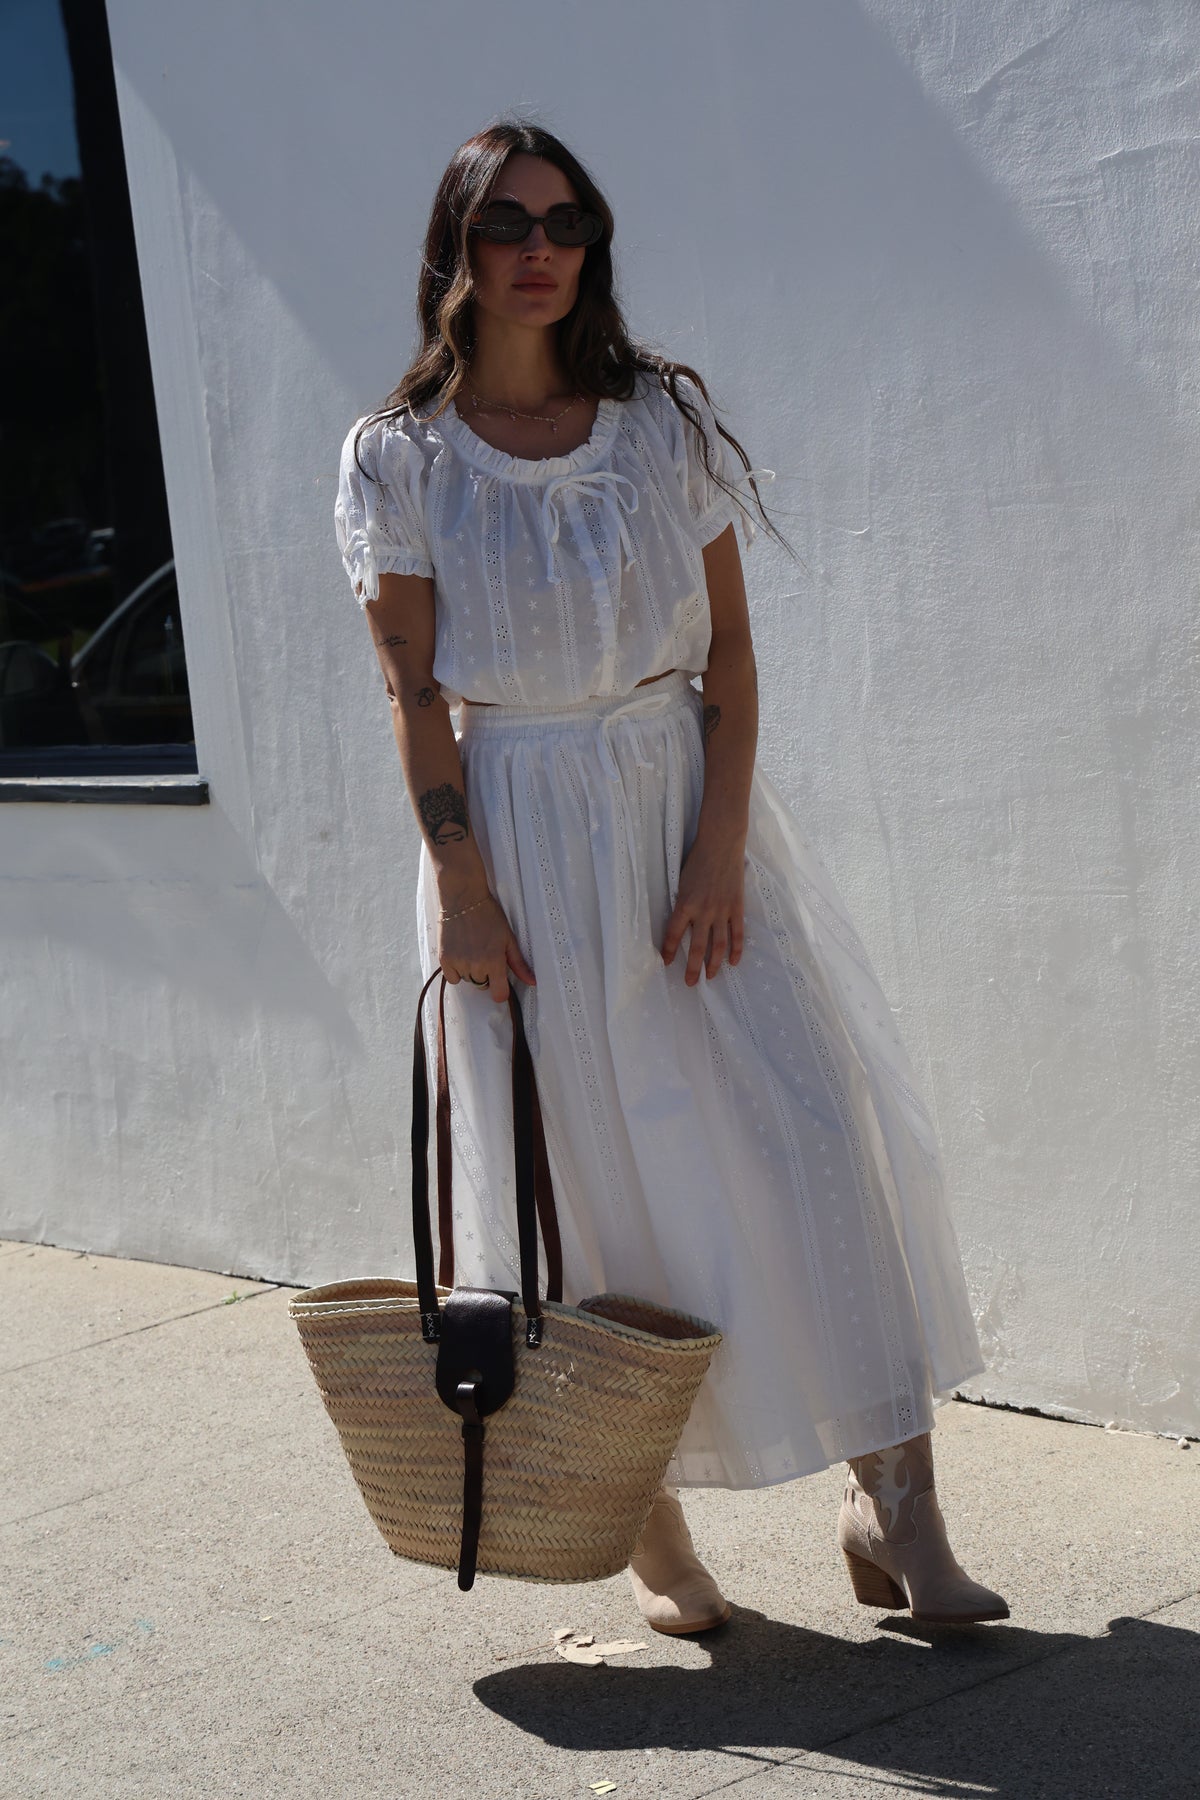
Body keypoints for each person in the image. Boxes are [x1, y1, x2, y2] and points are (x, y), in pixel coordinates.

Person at [335, 120, 1009, 1635]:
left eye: (568, 220)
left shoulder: (655, 424)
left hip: (678, 813)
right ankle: (657, 1549)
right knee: (578, 1196)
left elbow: (737, 652)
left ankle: (895, 1509)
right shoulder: (400, 458)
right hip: (511, 837)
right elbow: (412, 695)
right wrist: (463, 891)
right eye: (507, 221)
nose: (541, 247)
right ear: (457, 244)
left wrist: (717, 847)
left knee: (814, 1140)